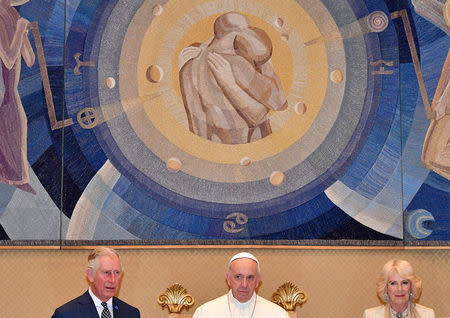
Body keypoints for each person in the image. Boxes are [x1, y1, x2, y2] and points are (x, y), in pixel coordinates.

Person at [179, 12, 287, 144]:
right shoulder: (237, 64)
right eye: (247, 31)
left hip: (214, 151)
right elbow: (276, 104)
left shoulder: (187, 68)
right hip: (250, 148)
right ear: (237, 35)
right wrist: (264, 64)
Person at [0, 0, 36, 194]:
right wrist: (21, 30)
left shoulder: (13, 15)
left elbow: (29, 60)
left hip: (10, 91)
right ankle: (17, 178)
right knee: (14, 127)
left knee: (16, 128)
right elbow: (8, 57)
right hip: (5, 90)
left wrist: (23, 33)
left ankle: (17, 178)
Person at [193, 252, 289, 318]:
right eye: (238, 277)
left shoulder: (278, 314)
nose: (244, 284)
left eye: (250, 277)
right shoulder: (205, 313)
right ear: (228, 279)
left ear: (258, 281)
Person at [51, 247, 140, 318]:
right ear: (90, 275)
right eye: (106, 273)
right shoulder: (66, 314)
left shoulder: (131, 313)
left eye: (117, 273)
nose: (113, 280)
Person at [363, 259, 435, 318]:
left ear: (411, 286)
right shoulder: (371, 315)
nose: (400, 289)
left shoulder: (427, 315)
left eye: (404, 283)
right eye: (393, 283)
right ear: (386, 288)